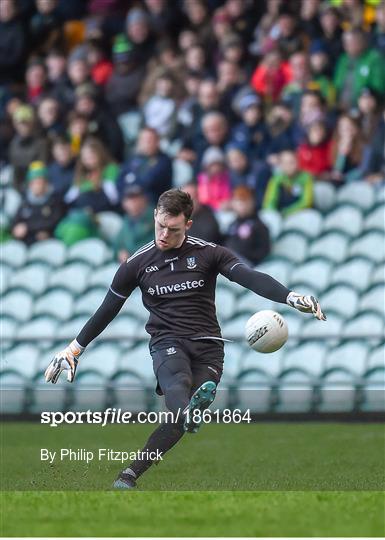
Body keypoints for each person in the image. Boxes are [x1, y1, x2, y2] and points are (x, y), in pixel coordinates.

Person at [45, 188, 326, 490]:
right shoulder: (136, 265)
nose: (164, 234)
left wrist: (290, 296)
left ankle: (130, 473)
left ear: (188, 225)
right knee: (178, 386)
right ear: (155, 216)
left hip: (208, 347)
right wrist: (74, 349)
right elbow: (108, 309)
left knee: (178, 418)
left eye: (173, 229)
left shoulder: (209, 253)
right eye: (160, 226)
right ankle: (189, 410)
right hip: (167, 341)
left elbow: (249, 276)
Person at [11, 161, 66, 245]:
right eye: (34, 182)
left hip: (47, 241)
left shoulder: (54, 200)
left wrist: (28, 227)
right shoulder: (25, 201)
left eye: (40, 182)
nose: (37, 186)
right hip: (25, 241)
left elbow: (53, 221)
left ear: (46, 183)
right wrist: (16, 229)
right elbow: (16, 221)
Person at [224, 186, 270, 266]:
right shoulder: (232, 224)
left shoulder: (260, 226)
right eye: (238, 201)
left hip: (247, 266)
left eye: (245, 201)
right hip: (228, 263)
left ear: (252, 202)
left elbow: (263, 252)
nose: (241, 205)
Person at [263, 149, 313, 216]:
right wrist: (274, 213)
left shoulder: (305, 177)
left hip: (298, 213)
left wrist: (287, 212)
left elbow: (306, 202)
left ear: (298, 162)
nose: (288, 166)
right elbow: (269, 201)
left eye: (291, 162)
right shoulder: (276, 179)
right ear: (280, 165)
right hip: (279, 214)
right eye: (285, 163)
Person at [113, 185, 154, 263]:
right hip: (128, 266)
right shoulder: (126, 220)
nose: (133, 203)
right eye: (129, 199)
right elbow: (116, 244)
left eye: (136, 198)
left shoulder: (155, 217)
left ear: (144, 199)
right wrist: (119, 253)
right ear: (124, 203)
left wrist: (131, 255)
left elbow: (156, 245)